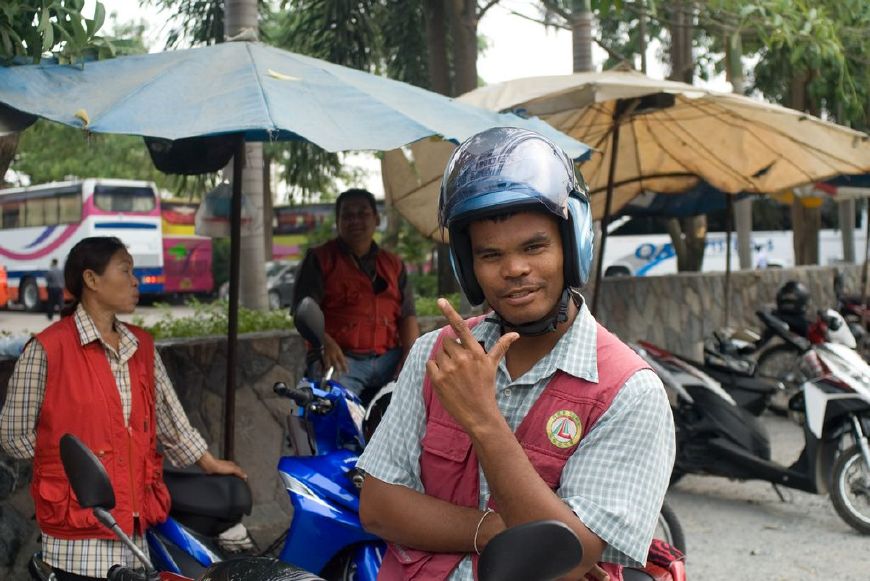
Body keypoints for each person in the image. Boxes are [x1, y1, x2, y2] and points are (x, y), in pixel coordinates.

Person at [357, 128, 675, 580]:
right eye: (490, 255)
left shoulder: (627, 391)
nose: (514, 270)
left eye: (534, 247)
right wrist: (489, 530)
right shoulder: (437, 356)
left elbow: (569, 556)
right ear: (469, 268)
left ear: (572, 244)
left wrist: (483, 420)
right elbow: (379, 507)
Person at [0, 237, 246, 581]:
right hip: (77, 534)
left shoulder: (141, 346)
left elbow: (169, 418)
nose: (136, 280)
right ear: (91, 280)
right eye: (125, 270)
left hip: (133, 524)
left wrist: (208, 462)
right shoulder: (47, 349)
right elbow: (14, 436)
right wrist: (65, 466)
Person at [292, 188, 420, 401]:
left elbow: (408, 315)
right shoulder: (319, 259)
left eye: (363, 213)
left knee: (429, 386)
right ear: (337, 221)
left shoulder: (394, 264)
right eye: (348, 215)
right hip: (342, 360)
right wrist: (324, 343)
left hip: (388, 359)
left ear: (377, 219)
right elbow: (301, 311)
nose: (355, 220)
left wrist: (411, 358)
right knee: (337, 414)